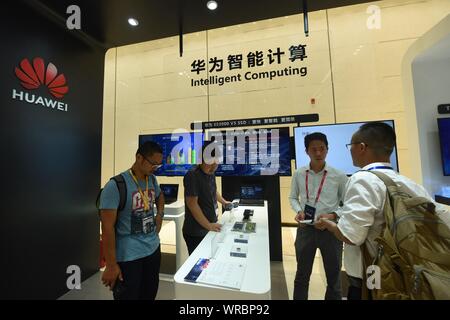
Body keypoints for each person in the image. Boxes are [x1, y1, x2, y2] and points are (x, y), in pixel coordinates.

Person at [315, 121, 450, 299]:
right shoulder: (410, 184)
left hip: (374, 274)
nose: (350, 150)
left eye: (351, 146)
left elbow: (352, 236)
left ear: (362, 147)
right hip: (410, 270)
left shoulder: (362, 179)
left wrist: (329, 224)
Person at [99, 141, 165, 300]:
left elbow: (159, 196)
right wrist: (111, 265)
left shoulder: (152, 180)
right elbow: (107, 229)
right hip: (129, 257)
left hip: (152, 250)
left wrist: (159, 214)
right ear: (139, 157)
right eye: (152, 164)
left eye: (158, 165)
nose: (155, 168)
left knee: (149, 295)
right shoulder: (115, 186)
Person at [289, 132, 348, 300]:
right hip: (305, 230)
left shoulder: (339, 176)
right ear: (306, 151)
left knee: (334, 279)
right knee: (301, 276)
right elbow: (293, 197)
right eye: (313, 149)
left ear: (327, 150)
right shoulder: (299, 174)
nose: (318, 153)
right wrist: (299, 211)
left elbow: (347, 204)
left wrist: (333, 215)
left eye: (322, 149)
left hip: (330, 232)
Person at [183, 141, 231, 255]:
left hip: (209, 227)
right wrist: (208, 225)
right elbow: (192, 204)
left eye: (216, 162)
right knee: (199, 263)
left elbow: (213, 191)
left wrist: (223, 202)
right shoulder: (193, 175)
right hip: (196, 232)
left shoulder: (210, 172)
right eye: (210, 162)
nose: (214, 166)